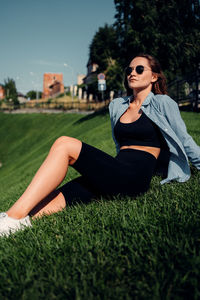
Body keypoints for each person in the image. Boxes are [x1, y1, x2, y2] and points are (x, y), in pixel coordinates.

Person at [1, 53, 200, 237]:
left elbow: (185, 139)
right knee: (59, 197)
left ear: (154, 77)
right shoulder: (118, 106)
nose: (132, 73)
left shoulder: (163, 103)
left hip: (134, 178)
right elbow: (119, 144)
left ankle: (12, 216)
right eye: (129, 70)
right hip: (116, 171)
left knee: (64, 144)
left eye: (139, 69)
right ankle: (17, 222)